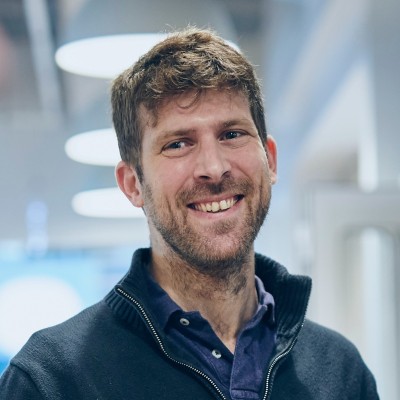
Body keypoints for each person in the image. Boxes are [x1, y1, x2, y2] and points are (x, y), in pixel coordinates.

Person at [0, 27, 379, 400]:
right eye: (178, 144)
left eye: (232, 134)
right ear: (132, 184)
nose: (214, 168)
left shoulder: (340, 371)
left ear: (271, 160)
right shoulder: (52, 380)